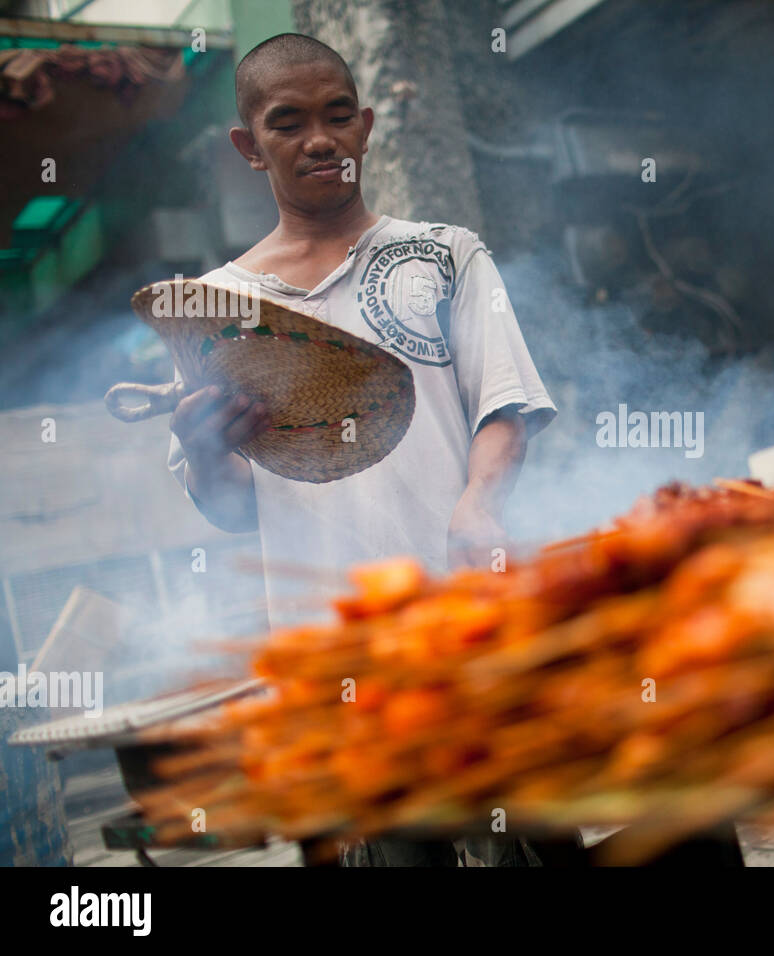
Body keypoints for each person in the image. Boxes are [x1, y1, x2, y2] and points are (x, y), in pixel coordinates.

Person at [165, 32, 561, 866]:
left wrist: (480, 501)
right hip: (331, 672)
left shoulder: (447, 255)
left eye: (338, 116)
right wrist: (204, 450)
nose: (320, 139)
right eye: (288, 122)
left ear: (367, 126)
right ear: (248, 146)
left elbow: (505, 405)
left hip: (469, 639)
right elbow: (232, 508)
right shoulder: (218, 308)